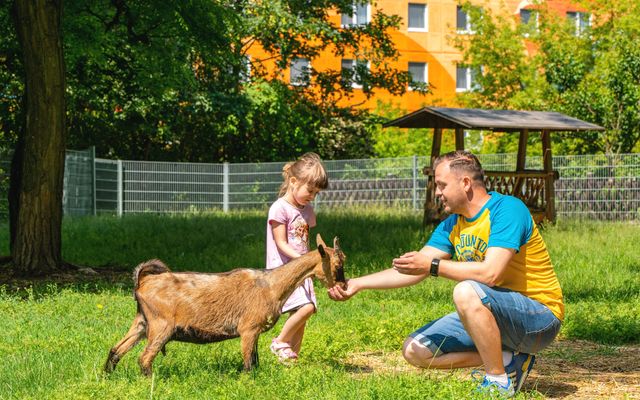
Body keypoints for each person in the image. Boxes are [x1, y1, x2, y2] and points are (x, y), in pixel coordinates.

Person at [328, 150, 563, 397]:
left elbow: (490, 273)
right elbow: (413, 270)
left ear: (465, 183)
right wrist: (357, 283)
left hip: (539, 318)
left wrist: (432, 266)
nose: (437, 193)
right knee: (415, 350)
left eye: (441, 185)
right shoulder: (452, 224)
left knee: (466, 290)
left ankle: (497, 381)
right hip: (493, 314)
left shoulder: (507, 209)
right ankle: (508, 359)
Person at [266, 152, 329, 362]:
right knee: (307, 307)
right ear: (293, 181)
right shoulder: (279, 208)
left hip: (303, 269)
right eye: (310, 190)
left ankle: (292, 358)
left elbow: (303, 240)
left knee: (302, 318)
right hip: (285, 270)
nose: (312, 196)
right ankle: (280, 342)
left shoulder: (307, 210)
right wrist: (305, 260)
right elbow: (281, 243)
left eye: (316, 193)